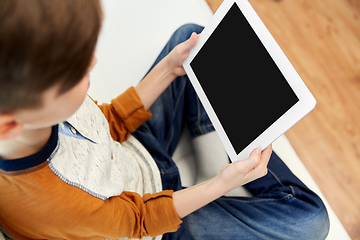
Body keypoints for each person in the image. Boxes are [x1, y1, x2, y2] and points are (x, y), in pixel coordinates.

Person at [0, 0, 329, 239]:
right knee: (309, 219)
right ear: (9, 124)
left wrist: (168, 69)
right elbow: (140, 220)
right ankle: (225, 164)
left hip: (134, 154)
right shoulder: (54, 201)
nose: (93, 64)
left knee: (196, 42)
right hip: (154, 219)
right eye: (77, 72)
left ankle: (226, 151)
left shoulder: (32, 108)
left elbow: (106, 123)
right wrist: (219, 184)